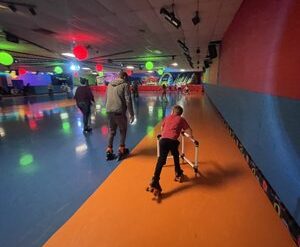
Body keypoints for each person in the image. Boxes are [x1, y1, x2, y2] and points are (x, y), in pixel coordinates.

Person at [147, 105, 193, 197]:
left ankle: (155, 180)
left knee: (161, 160)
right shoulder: (181, 119)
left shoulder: (167, 117)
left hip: (163, 140)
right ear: (180, 113)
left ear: (173, 112)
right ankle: (177, 172)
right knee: (176, 154)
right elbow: (189, 129)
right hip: (172, 141)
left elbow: (162, 128)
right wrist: (192, 138)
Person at [105, 71, 134, 160]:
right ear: (124, 77)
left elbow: (106, 97)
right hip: (119, 111)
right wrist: (131, 114)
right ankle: (121, 150)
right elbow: (128, 100)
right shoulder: (125, 85)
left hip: (109, 111)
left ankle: (109, 151)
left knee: (112, 131)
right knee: (123, 130)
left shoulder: (109, 84)